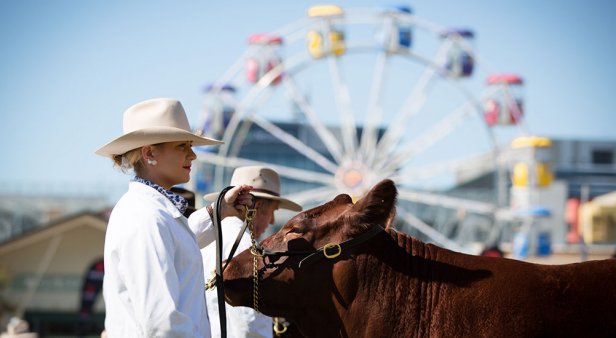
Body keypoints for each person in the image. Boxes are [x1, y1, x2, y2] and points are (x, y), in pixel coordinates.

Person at [95, 98, 253, 337]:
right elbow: (160, 322)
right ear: (149, 153)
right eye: (182, 146)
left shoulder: (150, 212)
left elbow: (178, 242)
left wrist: (218, 212)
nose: (193, 155)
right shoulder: (146, 217)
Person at [201, 166, 302, 338]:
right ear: (258, 206)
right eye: (273, 211)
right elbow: (249, 322)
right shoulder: (247, 248)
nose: (272, 221)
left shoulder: (205, 237)